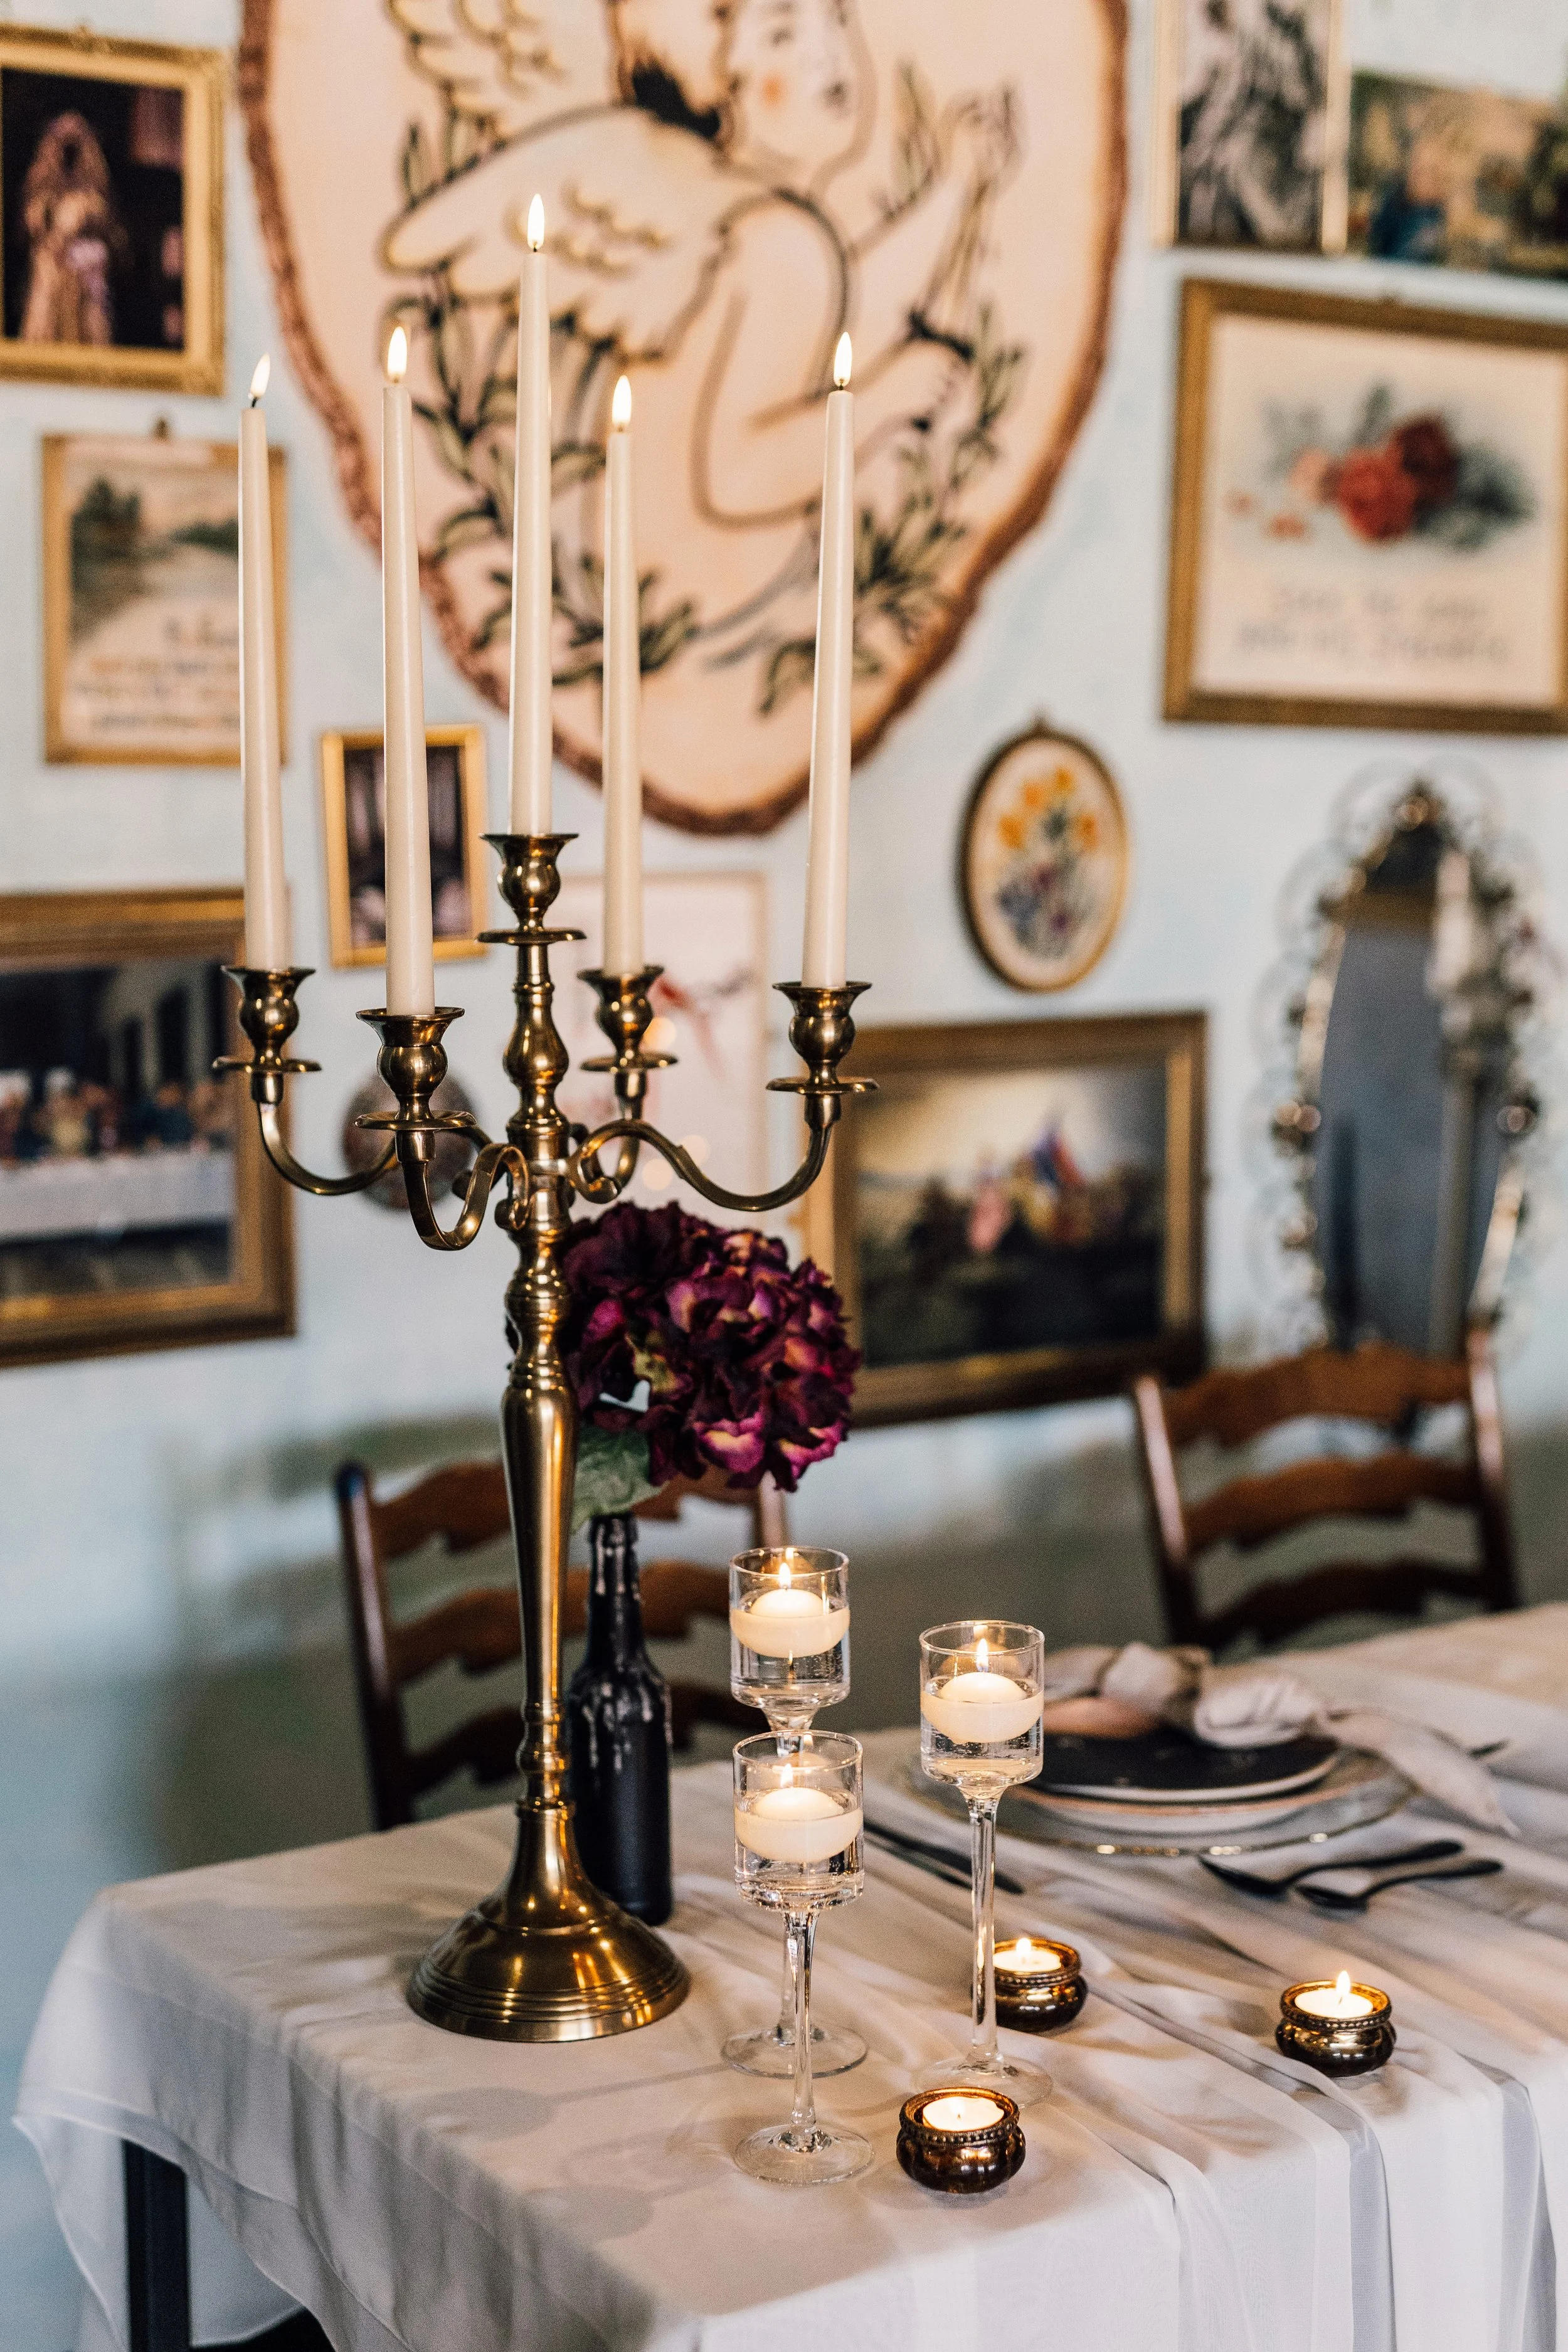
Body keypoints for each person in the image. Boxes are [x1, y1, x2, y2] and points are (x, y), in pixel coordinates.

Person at [18, 111, 126, 346]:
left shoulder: (95, 192)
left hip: (87, 273)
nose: (68, 151)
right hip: (50, 273)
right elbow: (33, 226)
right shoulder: (41, 186)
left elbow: (111, 234)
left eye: (74, 142)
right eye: (62, 141)